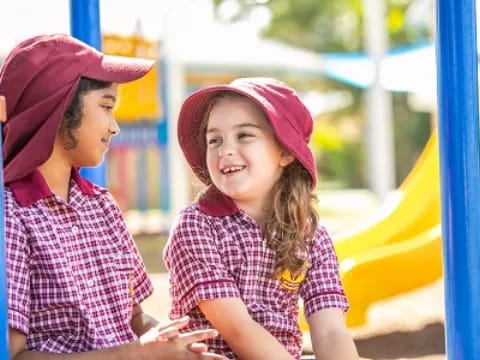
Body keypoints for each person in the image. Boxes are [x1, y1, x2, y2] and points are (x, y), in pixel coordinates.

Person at [0, 34, 226, 360]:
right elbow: (13, 355)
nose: (114, 126)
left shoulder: (102, 205)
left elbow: (136, 320)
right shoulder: (10, 214)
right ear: (58, 108)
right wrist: (137, 355)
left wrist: (169, 346)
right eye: (106, 107)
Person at [164, 77, 359, 360]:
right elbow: (238, 329)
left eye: (244, 135)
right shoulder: (196, 226)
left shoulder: (310, 234)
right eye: (214, 139)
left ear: (285, 152)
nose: (225, 150)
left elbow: (330, 330)